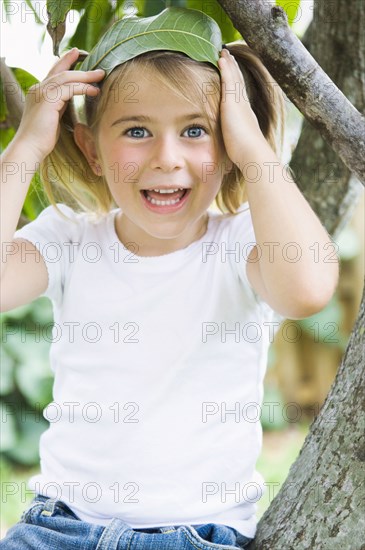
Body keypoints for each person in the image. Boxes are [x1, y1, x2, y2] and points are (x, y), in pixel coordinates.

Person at [0, 7, 339, 550]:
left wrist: (253, 151)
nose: (167, 157)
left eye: (196, 131)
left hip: (197, 536)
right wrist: (26, 146)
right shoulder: (68, 238)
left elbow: (308, 289)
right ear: (91, 150)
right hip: (58, 528)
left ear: (227, 146)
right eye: (137, 131)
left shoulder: (242, 244)